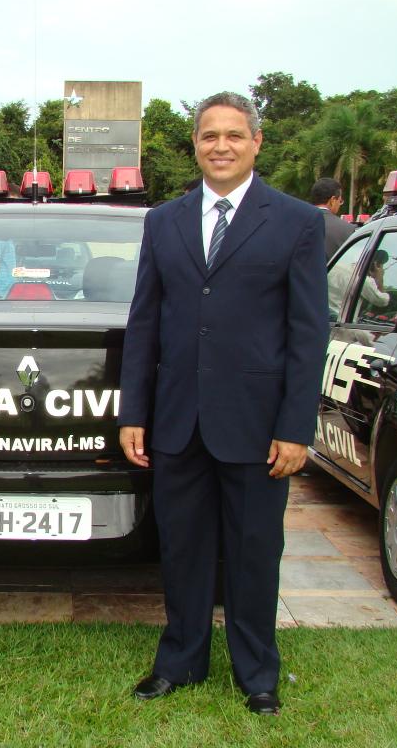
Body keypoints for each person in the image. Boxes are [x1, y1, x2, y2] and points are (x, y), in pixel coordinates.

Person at [118, 92, 328, 715]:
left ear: (256, 142)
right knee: (182, 547)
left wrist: (295, 426)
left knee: (254, 551)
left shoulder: (296, 222)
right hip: (177, 421)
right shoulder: (163, 221)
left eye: (234, 135)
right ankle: (179, 661)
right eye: (210, 136)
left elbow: (307, 331)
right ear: (196, 144)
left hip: (258, 425)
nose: (221, 146)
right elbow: (145, 321)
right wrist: (135, 412)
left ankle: (257, 671)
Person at [310, 177, 356, 260]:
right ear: (333, 200)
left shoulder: (295, 223)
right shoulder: (348, 229)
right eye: (340, 201)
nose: (339, 204)